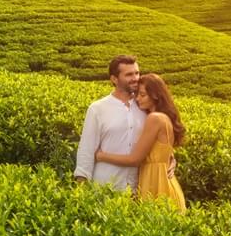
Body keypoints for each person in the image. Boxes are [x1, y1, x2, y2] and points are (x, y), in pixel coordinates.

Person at [95, 73, 187, 212]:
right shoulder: (162, 117)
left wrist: (101, 156)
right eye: (137, 94)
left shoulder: (154, 118)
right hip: (162, 182)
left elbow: (134, 159)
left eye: (143, 95)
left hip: (157, 185)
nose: (138, 99)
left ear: (155, 96)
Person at [74, 55, 147, 192]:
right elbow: (86, 149)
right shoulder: (98, 109)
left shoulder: (144, 106)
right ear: (114, 79)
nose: (135, 78)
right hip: (105, 187)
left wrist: (170, 158)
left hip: (137, 190)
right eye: (129, 74)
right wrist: (81, 189)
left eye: (137, 73)